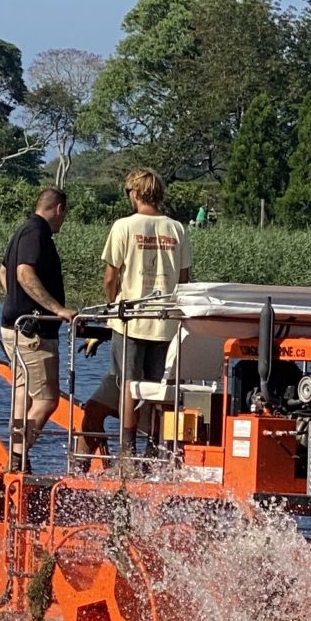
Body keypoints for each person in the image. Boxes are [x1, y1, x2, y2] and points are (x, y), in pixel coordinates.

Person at [84, 168, 190, 454]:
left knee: (128, 384)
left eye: (129, 192)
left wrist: (111, 305)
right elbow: (184, 280)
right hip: (164, 320)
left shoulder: (124, 226)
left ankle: (127, 451)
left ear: (137, 192)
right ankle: (155, 449)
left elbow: (110, 276)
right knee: (157, 387)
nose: (128, 197)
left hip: (130, 319)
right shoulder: (177, 229)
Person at [0, 186, 75, 461]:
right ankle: (17, 457)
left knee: (23, 394)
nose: (63, 222)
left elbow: (3, 271)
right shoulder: (37, 232)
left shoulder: (23, 230)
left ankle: (17, 457)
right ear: (59, 209)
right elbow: (22, 273)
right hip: (34, 332)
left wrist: (15, 301)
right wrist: (57, 309)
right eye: (64, 215)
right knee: (46, 400)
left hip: (14, 327)